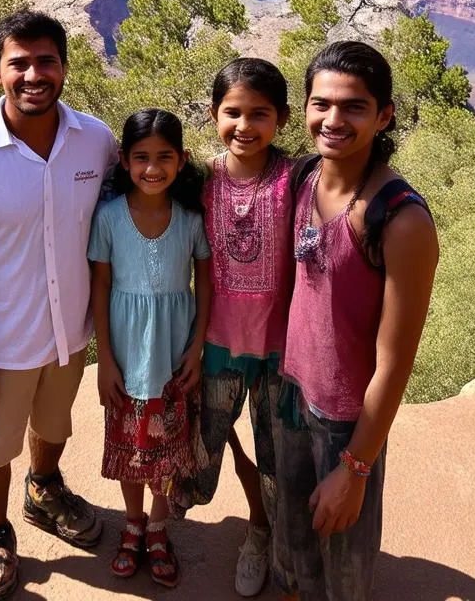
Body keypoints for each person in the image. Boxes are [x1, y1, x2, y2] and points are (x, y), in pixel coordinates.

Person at [0, 10, 117, 601]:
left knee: (54, 426)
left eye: (46, 61)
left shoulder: (97, 140)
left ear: (64, 67)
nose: (35, 74)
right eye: (20, 63)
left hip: (70, 333)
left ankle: (44, 488)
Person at [274, 41, 439, 601]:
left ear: (384, 114)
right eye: (321, 104)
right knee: (295, 546)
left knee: (344, 568)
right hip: (292, 391)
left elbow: (396, 361)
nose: (334, 120)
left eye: (354, 107)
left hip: (348, 421)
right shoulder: (301, 179)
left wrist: (356, 468)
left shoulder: (401, 219)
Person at [176, 58, 294, 598]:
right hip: (217, 348)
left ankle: (263, 534)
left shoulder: (297, 180)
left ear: (282, 120)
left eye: (259, 115)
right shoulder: (197, 179)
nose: (244, 126)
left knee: (278, 454)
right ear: (212, 114)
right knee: (202, 451)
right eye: (233, 113)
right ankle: (164, 522)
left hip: (280, 353)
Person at [89, 108, 212, 589]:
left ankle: (159, 527)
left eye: (164, 157)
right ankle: (133, 523)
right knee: (130, 448)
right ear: (123, 159)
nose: (153, 168)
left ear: (181, 161)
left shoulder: (190, 218)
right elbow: (100, 288)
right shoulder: (109, 217)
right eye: (141, 157)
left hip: (174, 355)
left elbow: (205, 283)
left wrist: (197, 347)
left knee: (168, 451)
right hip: (126, 356)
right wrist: (105, 362)